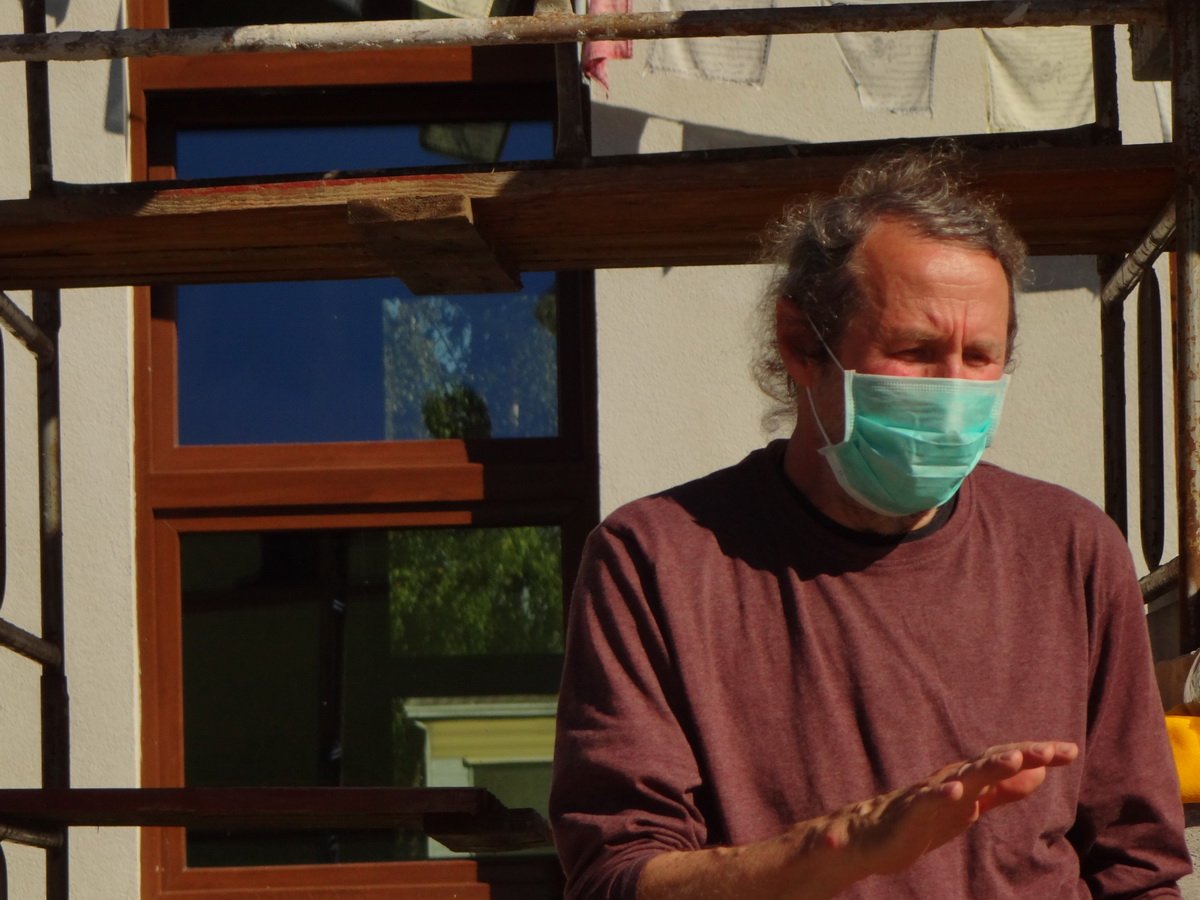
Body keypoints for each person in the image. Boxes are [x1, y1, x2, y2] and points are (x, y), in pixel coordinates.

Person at [549, 146, 1192, 899]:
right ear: (801, 344)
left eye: (980, 357)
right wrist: (836, 851)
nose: (952, 391)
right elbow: (615, 877)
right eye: (916, 351)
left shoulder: (1072, 549)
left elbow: (1138, 869)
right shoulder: (656, 561)